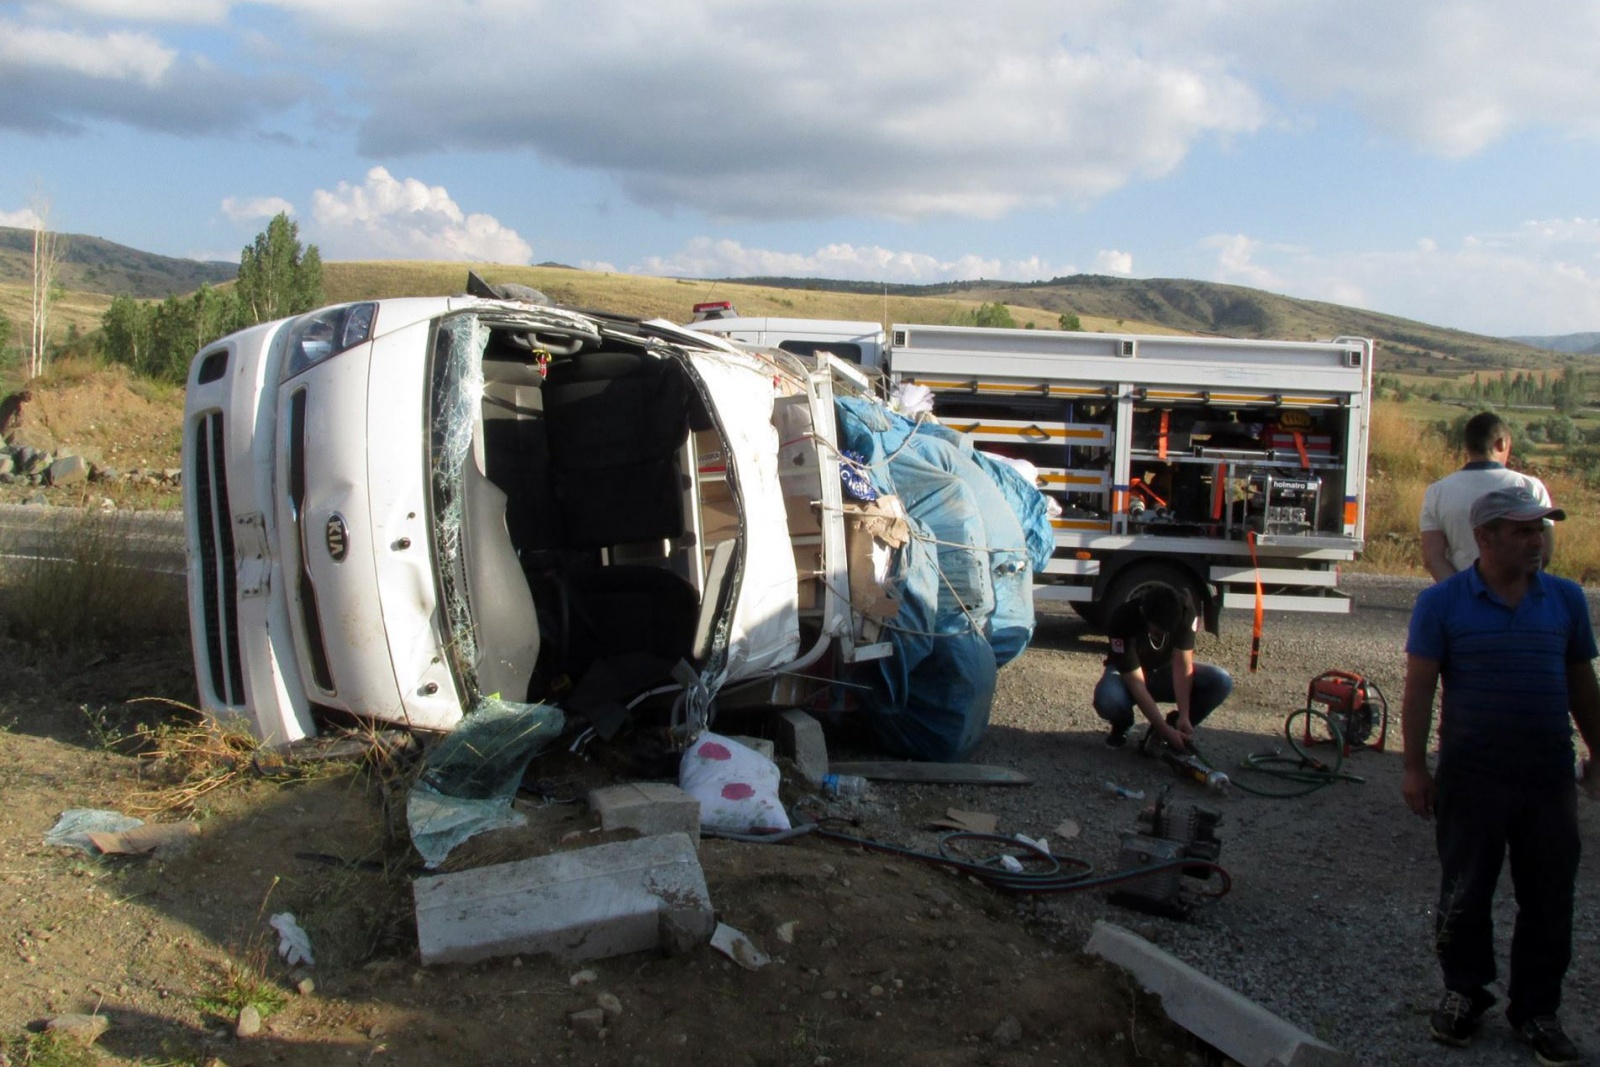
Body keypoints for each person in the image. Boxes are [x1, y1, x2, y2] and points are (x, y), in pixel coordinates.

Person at [1401, 485, 1600, 1065]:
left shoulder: (1565, 600)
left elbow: (1583, 686)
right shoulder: (1442, 604)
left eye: (1540, 530)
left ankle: (1536, 1010)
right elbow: (1419, 689)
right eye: (1523, 531)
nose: (1537, 541)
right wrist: (1415, 768)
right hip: (1472, 777)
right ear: (1484, 538)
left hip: (1546, 778)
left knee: (1549, 898)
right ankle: (1464, 993)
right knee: (1465, 893)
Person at [1094, 585, 1233, 750]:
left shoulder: (1185, 610)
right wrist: (1165, 730)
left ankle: (1169, 730)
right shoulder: (1123, 618)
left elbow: (1182, 664)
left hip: (1164, 670)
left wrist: (1184, 715)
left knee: (1221, 680)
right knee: (1108, 699)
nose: (1162, 634)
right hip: (1127, 676)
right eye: (1157, 630)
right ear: (1144, 614)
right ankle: (1123, 724)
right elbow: (1136, 683)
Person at [1420, 412, 1553, 581]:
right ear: (1502, 443)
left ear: (1468, 446)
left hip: (1462, 597)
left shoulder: (1436, 492)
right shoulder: (1530, 487)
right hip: (1517, 596)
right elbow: (1544, 553)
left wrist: (1461, 593)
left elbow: (1433, 557)